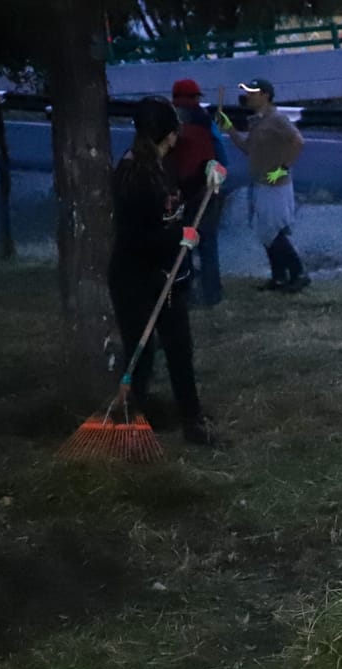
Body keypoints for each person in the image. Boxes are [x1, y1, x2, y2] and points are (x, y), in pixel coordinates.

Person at [109, 96, 215, 446]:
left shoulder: (159, 165)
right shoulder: (131, 174)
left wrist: (205, 177)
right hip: (135, 280)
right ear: (168, 134)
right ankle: (129, 428)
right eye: (174, 133)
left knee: (180, 349)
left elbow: (175, 200)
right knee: (142, 355)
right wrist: (176, 237)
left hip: (167, 278)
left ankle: (193, 421)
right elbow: (136, 236)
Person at [224, 77, 309, 293]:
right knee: (266, 232)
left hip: (275, 185)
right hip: (260, 182)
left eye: (253, 92)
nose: (248, 96)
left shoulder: (277, 119)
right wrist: (229, 129)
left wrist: (283, 168)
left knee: (273, 232)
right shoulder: (258, 121)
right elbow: (247, 148)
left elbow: (298, 141)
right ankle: (279, 277)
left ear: (265, 95)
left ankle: (298, 273)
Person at [170, 78, 228, 307]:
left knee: (181, 243)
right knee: (207, 243)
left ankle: (185, 292)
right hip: (205, 188)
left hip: (177, 191)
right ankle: (212, 294)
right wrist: (221, 170)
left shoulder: (166, 118)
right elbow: (219, 152)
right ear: (194, 97)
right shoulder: (203, 120)